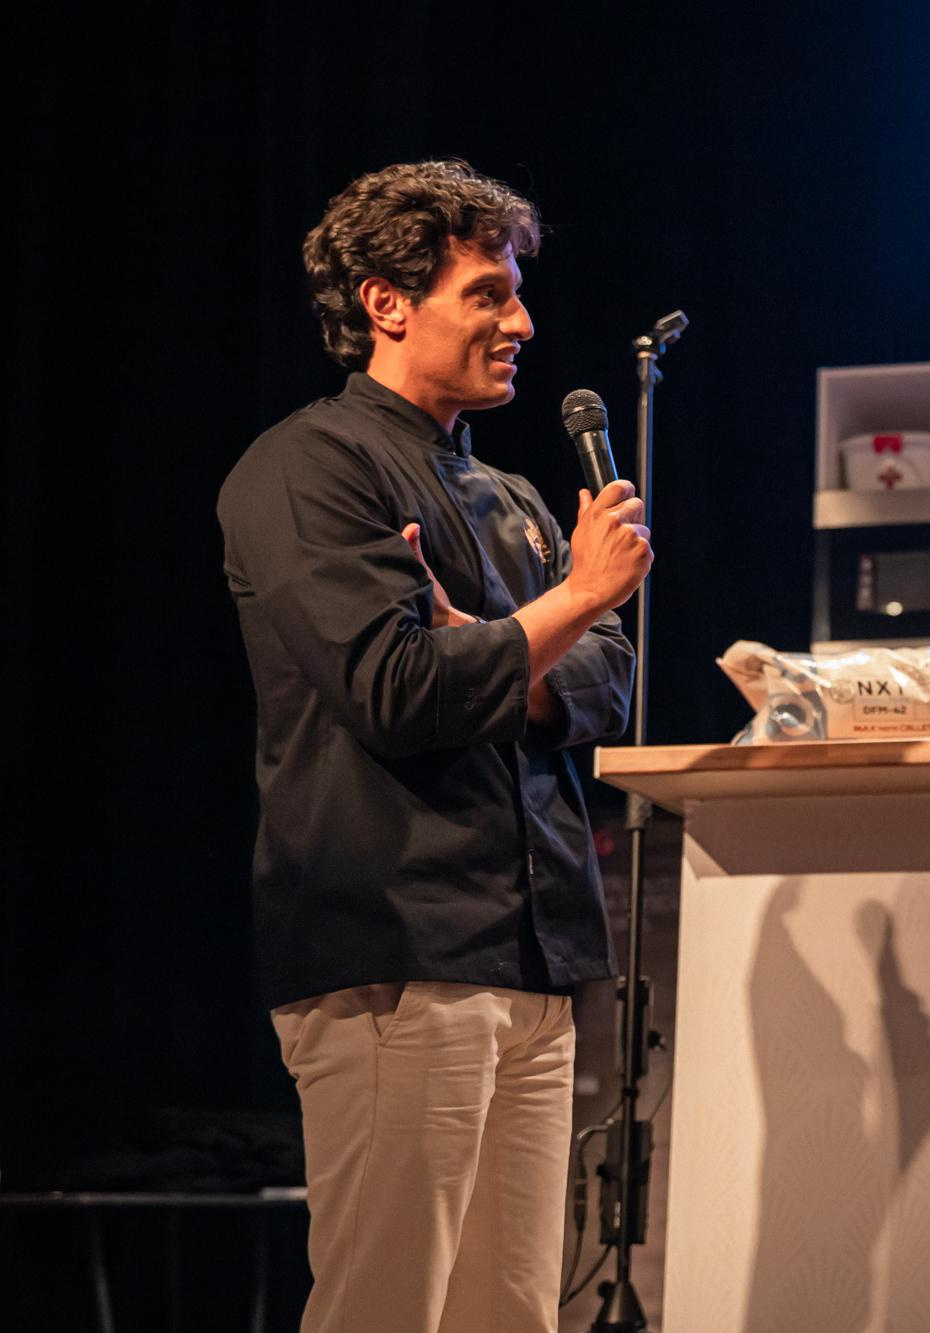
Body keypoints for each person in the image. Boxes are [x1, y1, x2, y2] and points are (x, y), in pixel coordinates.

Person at [217, 160, 652, 1333]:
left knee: (512, 1310)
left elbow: (611, 683)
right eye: (487, 294)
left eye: (516, 292)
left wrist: (505, 648)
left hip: (531, 949)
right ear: (387, 303)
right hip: (395, 946)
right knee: (386, 1306)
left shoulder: (510, 493)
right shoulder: (309, 466)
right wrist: (569, 605)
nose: (522, 322)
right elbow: (398, 690)